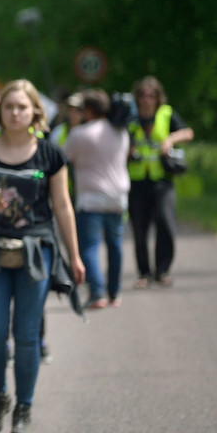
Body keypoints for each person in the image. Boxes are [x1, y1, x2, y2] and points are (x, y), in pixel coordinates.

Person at [0, 79, 85, 433]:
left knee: (27, 335)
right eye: (9, 107)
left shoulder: (50, 154)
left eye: (21, 106)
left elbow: (63, 206)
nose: (15, 113)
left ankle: (24, 408)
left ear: (35, 111)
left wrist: (75, 256)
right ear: (0, 113)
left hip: (37, 250)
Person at [63, 90, 129, 309]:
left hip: (90, 198)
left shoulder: (80, 134)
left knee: (89, 247)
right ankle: (115, 292)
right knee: (115, 246)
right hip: (118, 197)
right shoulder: (121, 132)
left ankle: (97, 292)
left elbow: (63, 159)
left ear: (88, 110)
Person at [127, 76, 193, 288]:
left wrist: (171, 139)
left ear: (157, 97)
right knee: (139, 229)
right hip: (137, 180)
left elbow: (188, 132)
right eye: (143, 95)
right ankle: (144, 273)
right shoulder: (130, 118)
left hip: (162, 180)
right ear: (137, 97)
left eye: (151, 95)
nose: (147, 99)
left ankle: (162, 270)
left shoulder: (166, 113)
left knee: (165, 223)